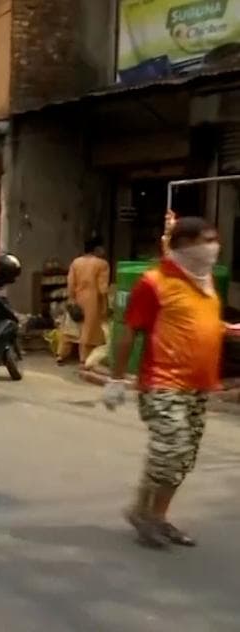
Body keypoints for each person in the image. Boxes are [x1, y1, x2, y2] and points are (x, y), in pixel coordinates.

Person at [106, 216, 240, 549]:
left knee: (184, 458)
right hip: (162, 383)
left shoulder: (204, 281)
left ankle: (159, 517)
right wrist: (117, 380)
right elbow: (128, 331)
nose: (213, 247)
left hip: (198, 385)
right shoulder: (154, 282)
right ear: (183, 245)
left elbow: (199, 320)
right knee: (171, 450)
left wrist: (228, 330)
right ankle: (140, 511)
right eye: (206, 240)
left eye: (215, 239)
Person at [58, 238, 110, 365]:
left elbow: (70, 282)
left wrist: (71, 298)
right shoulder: (102, 264)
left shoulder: (76, 262)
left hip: (76, 296)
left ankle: (61, 354)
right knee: (89, 330)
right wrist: (105, 304)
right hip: (93, 299)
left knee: (70, 328)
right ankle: (84, 358)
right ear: (97, 249)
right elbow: (102, 287)